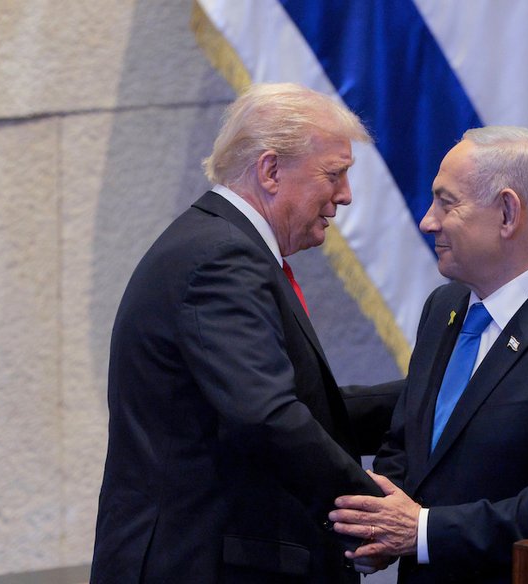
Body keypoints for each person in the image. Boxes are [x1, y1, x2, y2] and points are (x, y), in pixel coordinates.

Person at [89, 83, 398, 583]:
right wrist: (371, 515)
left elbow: (288, 406)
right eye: (334, 174)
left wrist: (428, 399)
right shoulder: (221, 258)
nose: (344, 195)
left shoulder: (216, 245)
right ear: (271, 170)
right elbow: (266, 417)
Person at [329, 126, 528, 583]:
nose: (428, 221)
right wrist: (380, 525)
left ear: (506, 213)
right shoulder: (444, 307)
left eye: (447, 203)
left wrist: (422, 531)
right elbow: (406, 442)